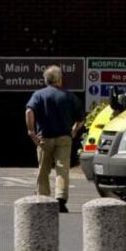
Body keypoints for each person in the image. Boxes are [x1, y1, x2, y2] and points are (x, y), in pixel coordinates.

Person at [25, 65, 84, 212]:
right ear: (60, 79)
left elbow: (29, 112)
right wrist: (74, 130)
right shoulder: (69, 96)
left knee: (43, 169)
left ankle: (43, 198)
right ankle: (61, 200)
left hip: (44, 137)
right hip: (64, 137)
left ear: (46, 80)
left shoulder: (39, 95)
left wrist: (31, 132)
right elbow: (81, 119)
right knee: (62, 169)